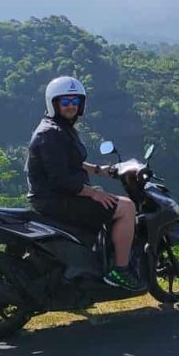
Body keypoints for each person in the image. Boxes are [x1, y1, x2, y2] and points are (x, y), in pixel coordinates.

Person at [25, 76, 143, 291]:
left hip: (58, 197)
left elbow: (71, 162)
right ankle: (120, 270)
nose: (71, 106)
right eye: (65, 101)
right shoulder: (51, 133)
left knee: (107, 199)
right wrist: (92, 193)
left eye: (75, 101)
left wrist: (99, 170)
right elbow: (60, 180)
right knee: (126, 207)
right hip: (56, 200)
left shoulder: (59, 128)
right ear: (54, 103)